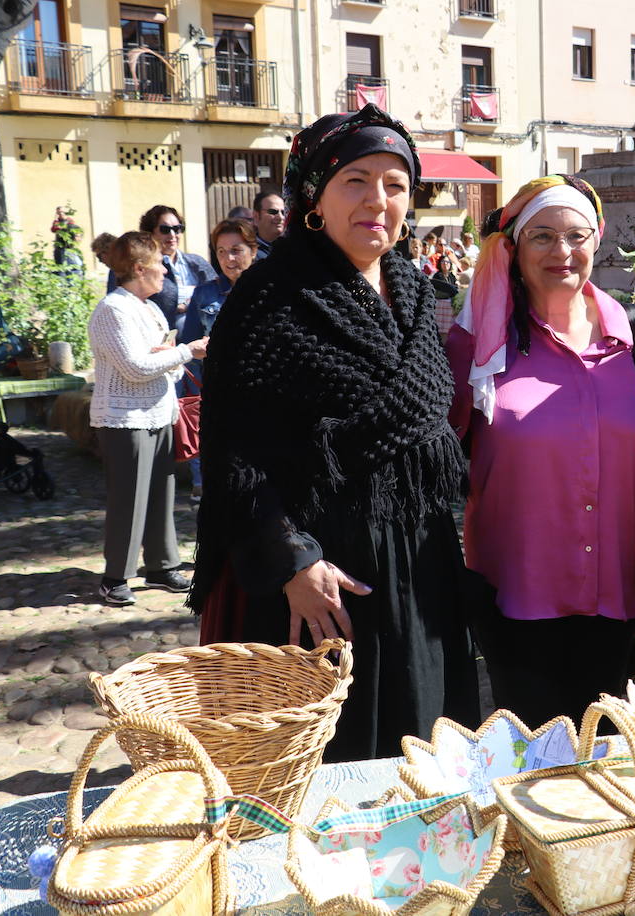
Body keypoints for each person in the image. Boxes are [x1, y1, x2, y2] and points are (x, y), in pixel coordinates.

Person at [190, 104, 480, 761]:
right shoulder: (268, 296)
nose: (378, 199)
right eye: (356, 180)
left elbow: (432, 419)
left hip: (420, 559)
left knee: (423, 739)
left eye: (395, 184)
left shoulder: (411, 287)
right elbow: (236, 448)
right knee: (338, 758)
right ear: (315, 198)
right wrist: (291, 559)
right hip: (325, 575)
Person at [446, 175, 635, 726]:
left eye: (576, 235)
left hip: (617, 596)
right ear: (515, 249)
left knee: (608, 763)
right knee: (532, 763)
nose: (561, 252)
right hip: (516, 596)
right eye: (542, 236)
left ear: (597, 241)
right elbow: (442, 456)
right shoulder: (477, 345)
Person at [89, 232, 208, 606]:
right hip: (125, 419)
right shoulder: (113, 309)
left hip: (158, 413)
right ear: (139, 269)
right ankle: (115, 576)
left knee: (161, 493)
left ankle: (160, 564)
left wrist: (171, 357)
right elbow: (136, 368)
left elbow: (164, 368)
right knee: (129, 498)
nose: (165, 272)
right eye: (159, 265)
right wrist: (185, 352)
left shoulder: (151, 309)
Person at [178, 219, 257, 503]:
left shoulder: (269, 289)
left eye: (236, 250)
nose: (228, 259)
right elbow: (188, 346)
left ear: (253, 249)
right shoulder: (205, 293)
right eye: (221, 252)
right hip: (217, 393)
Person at [109, 206, 216, 331]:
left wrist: (188, 305)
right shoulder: (132, 265)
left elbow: (217, 293)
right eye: (165, 229)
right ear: (150, 233)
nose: (172, 235)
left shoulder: (197, 262)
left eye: (177, 229)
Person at [252, 191, 286, 258]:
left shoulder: (296, 247)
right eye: (272, 211)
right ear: (256, 216)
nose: (280, 217)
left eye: (283, 212)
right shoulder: (247, 251)